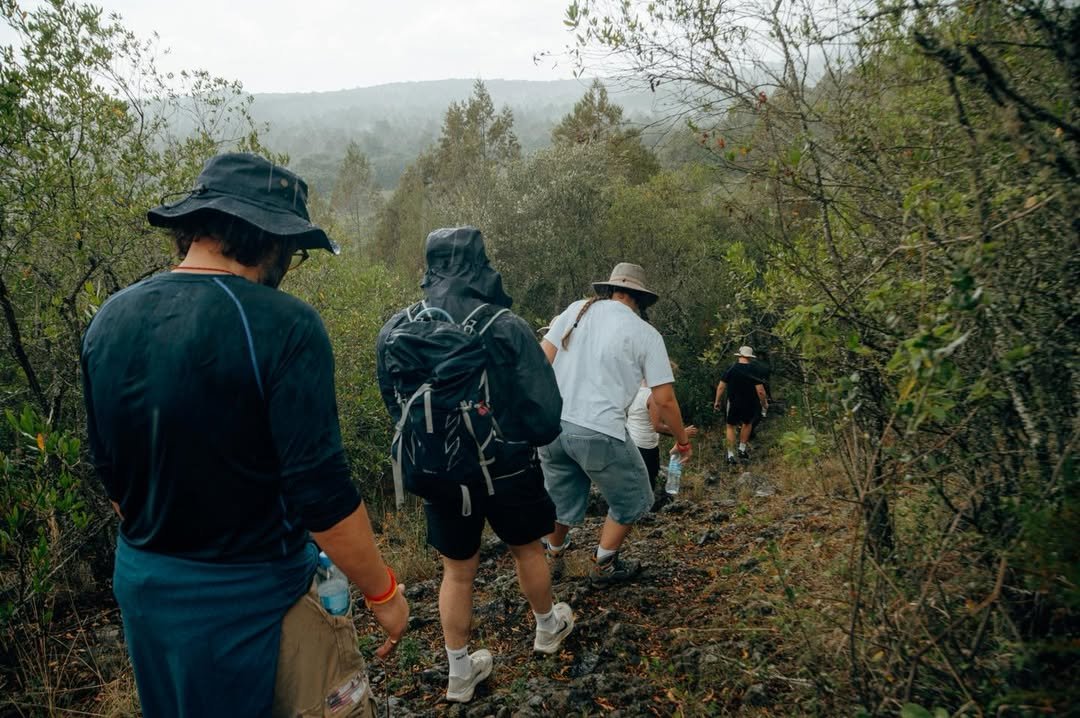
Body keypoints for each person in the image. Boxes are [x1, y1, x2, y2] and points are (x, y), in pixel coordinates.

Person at [80, 152, 408, 718]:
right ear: (268, 240)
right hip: (256, 599)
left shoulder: (111, 318)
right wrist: (383, 593)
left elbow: (111, 475)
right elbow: (322, 496)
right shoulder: (285, 325)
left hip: (148, 591)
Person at [376, 227, 573, 704]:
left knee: (457, 573)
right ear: (481, 265)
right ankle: (548, 628)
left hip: (441, 473)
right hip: (506, 467)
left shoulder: (398, 327)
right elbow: (545, 415)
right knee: (526, 550)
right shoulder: (505, 324)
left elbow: (393, 402)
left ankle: (460, 675)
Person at [540, 263, 693, 583]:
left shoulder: (576, 310)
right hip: (599, 430)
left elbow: (541, 360)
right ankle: (604, 565)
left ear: (609, 291)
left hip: (553, 427)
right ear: (641, 300)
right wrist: (682, 440)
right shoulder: (646, 334)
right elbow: (664, 400)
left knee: (560, 500)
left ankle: (552, 557)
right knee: (636, 496)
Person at [625, 369, 698, 491]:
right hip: (645, 447)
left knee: (633, 485)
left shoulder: (634, 389)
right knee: (647, 486)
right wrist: (682, 433)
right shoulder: (652, 396)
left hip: (631, 443)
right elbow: (657, 426)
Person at [713, 345, 769, 464]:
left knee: (730, 426)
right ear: (750, 357)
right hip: (750, 402)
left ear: (740, 356)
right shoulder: (754, 370)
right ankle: (742, 449)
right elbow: (760, 390)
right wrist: (764, 403)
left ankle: (730, 455)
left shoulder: (731, 369)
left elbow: (721, 386)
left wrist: (717, 401)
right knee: (747, 423)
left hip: (733, 402)